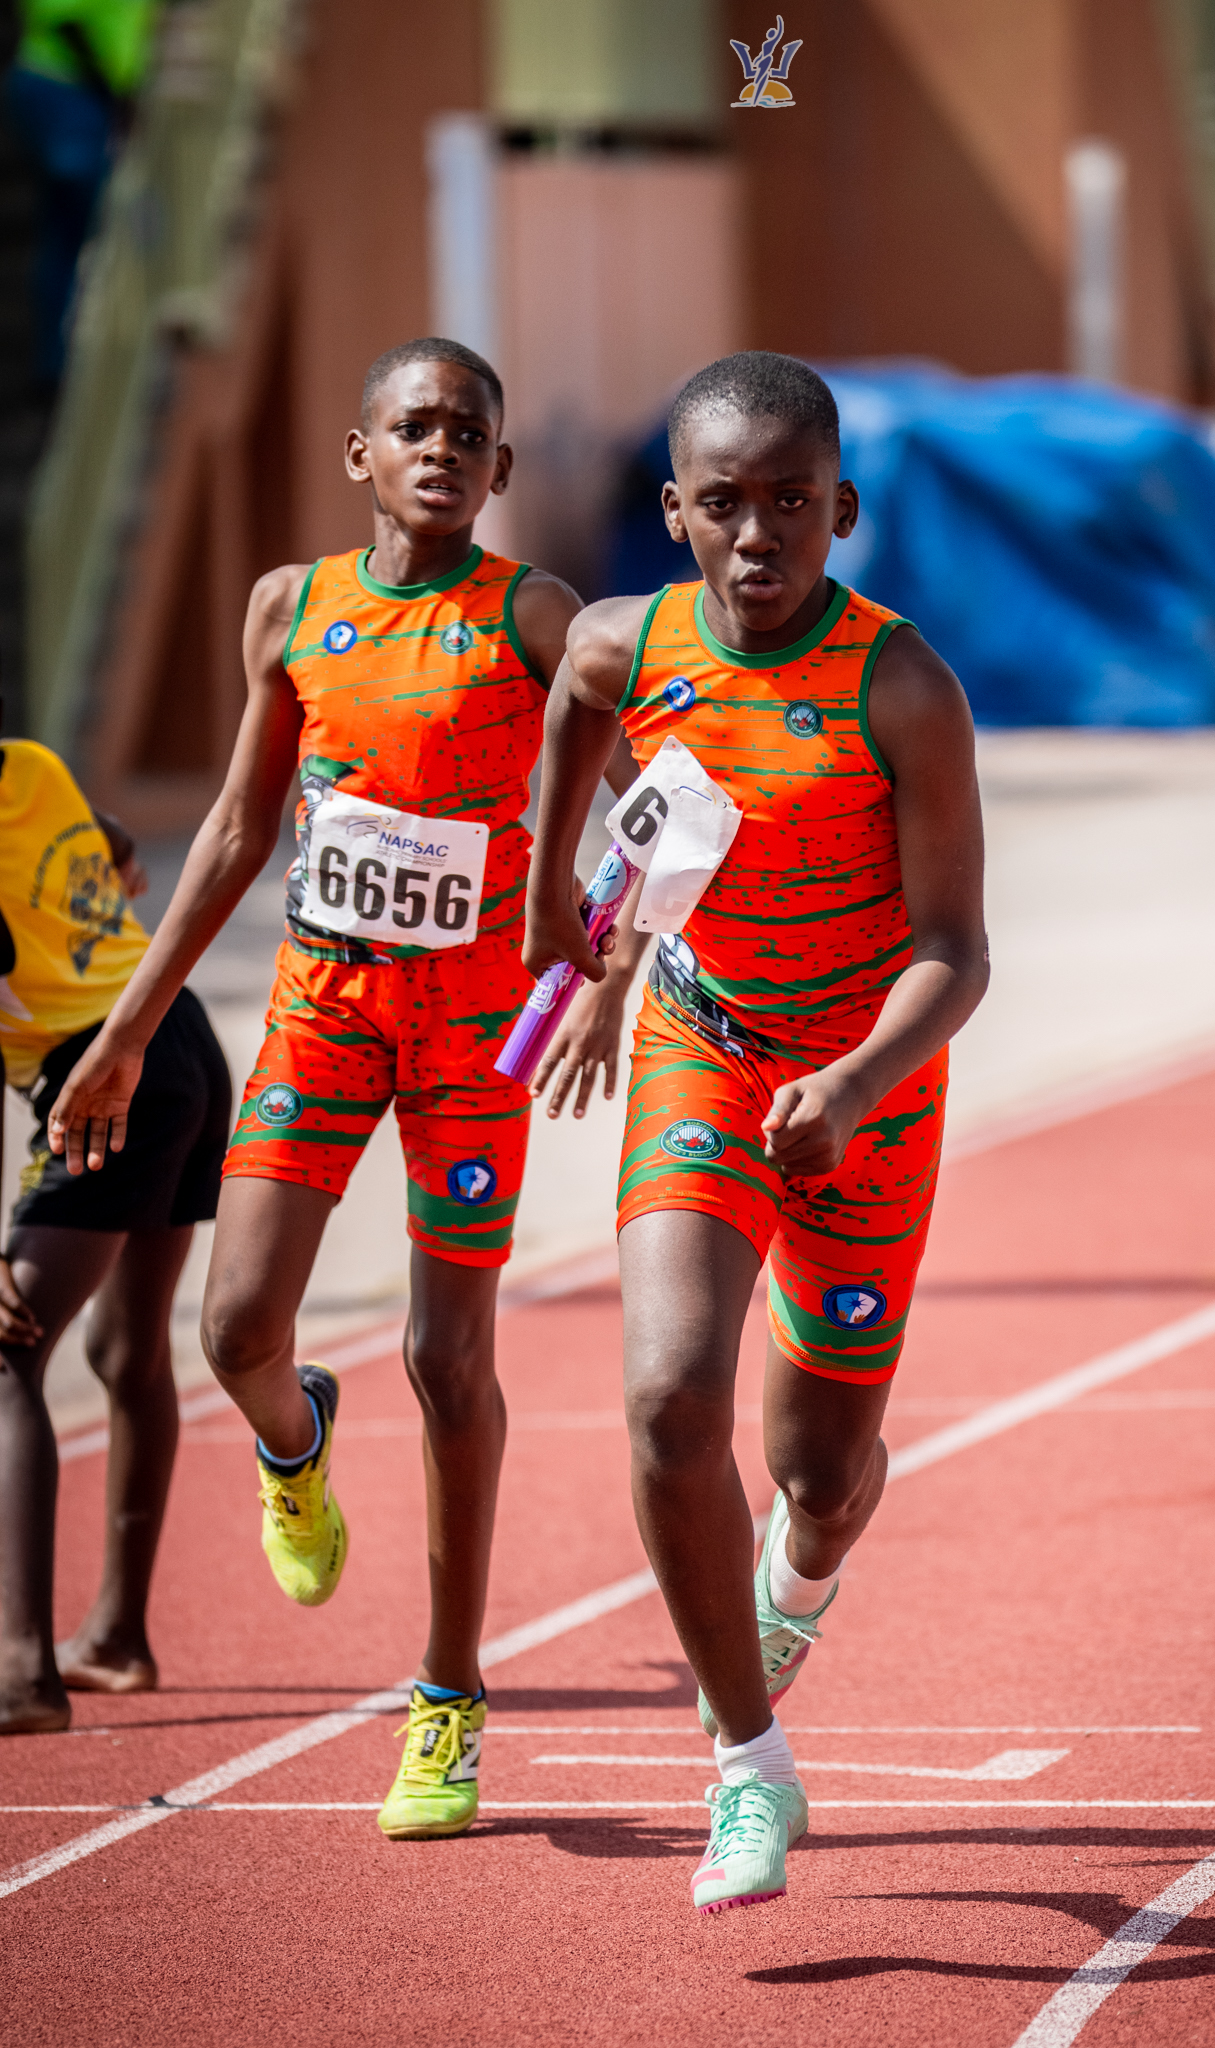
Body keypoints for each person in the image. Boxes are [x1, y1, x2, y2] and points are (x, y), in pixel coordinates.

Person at [48, 337, 627, 1836]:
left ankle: (446, 1698)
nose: (441, 450)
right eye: (413, 426)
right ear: (360, 451)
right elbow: (238, 830)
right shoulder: (290, 609)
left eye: (468, 434)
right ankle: (292, 1437)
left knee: (447, 1358)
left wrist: (605, 971)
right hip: (323, 1007)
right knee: (234, 1326)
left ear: (500, 470)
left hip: (472, 1035)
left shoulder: (533, 615)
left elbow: (645, 804)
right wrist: (127, 1027)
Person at [524, 351, 989, 1914]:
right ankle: (749, 1766)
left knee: (819, 1468)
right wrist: (567, 926)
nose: (754, 534)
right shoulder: (623, 641)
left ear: (839, 510)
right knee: (668, 1399)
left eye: (789, 502)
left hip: (866, 1095)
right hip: (703, 1053)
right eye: (721, 503)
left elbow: (955, 953)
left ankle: (800, 1570)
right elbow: (576, 718)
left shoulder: (899, 687)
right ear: (672, 511)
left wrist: (852, 1083)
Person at [1, 734, 229, 1732]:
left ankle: (21, 1670)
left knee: (7, 1357)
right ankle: (117, 1638)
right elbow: (121, 846)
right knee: (129, 1349)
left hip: (104, 1077)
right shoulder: (31, 765)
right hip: (180, 1040)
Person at [4, 0, 159, 390]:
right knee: (122, 220)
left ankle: (60, 362)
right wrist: (113, 93)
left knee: (68, 232)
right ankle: (101, 357)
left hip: (80, 94)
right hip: (66, 90)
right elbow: (64, 21)